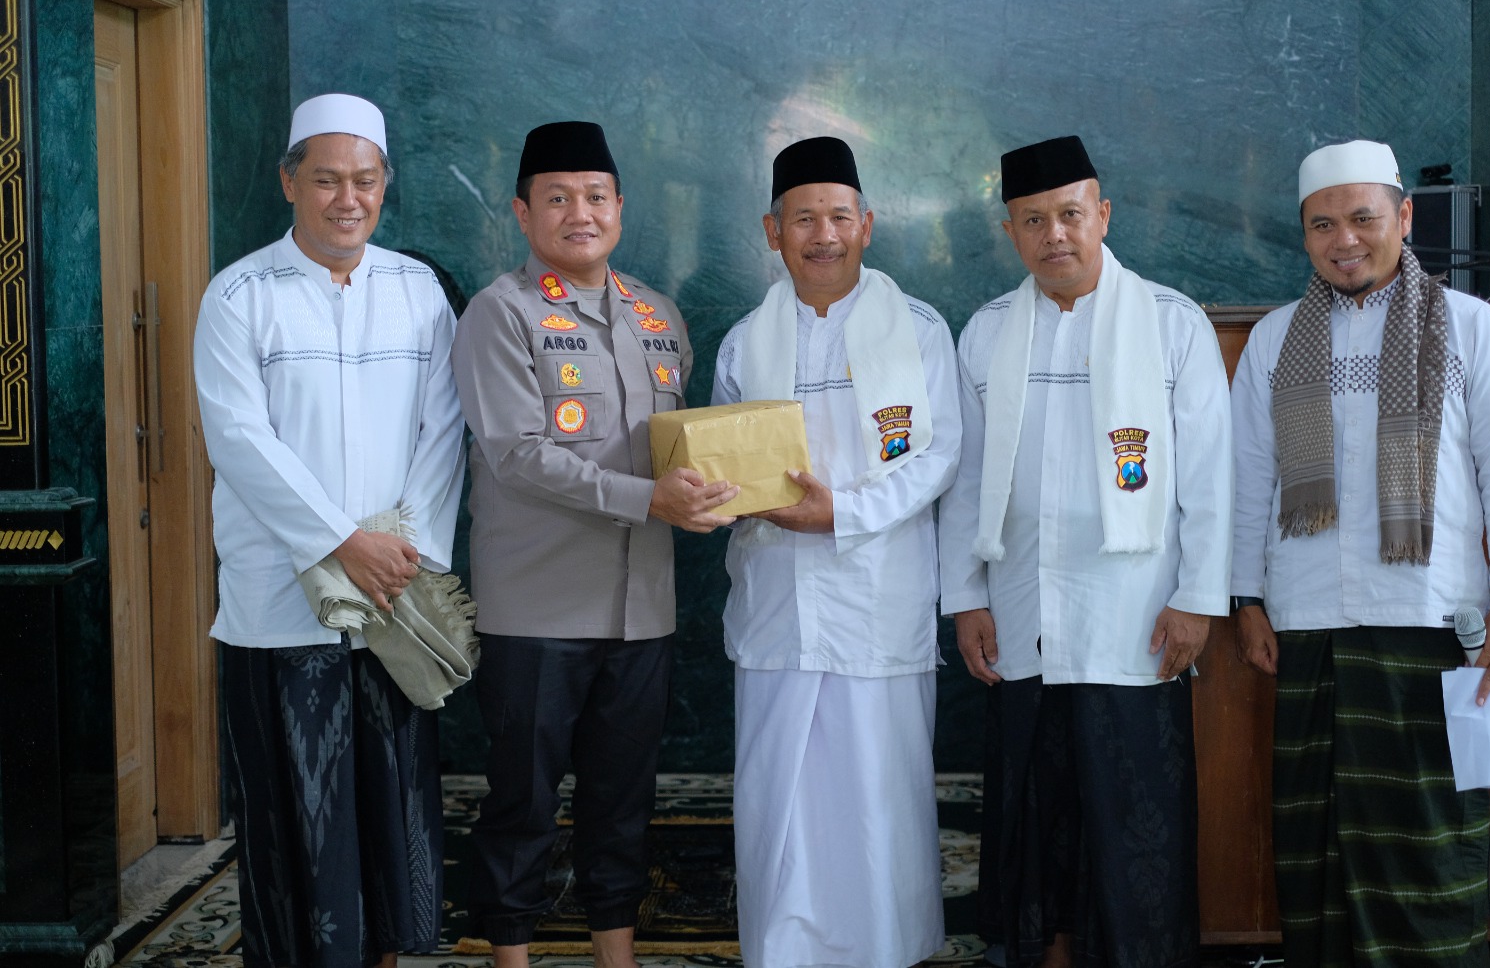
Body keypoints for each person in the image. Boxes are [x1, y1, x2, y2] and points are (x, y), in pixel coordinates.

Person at [1230, 139, 1490, 967]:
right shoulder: (1273, 341)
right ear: (1302, 236)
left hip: (1435, 624)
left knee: (1428, 846)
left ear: (1403, 218)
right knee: (1320, 844)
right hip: (1310, 627)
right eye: (1322, 224)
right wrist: (1246, 597)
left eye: (1364, 218)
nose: (1345, 240)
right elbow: (1247, 478)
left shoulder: (1471, 327)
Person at [938, 135, 1232, 968]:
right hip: (1025, 618)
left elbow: (1212, 477)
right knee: (1041, 821)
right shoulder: (987, 333)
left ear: (1103, 214)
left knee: (1134, 821)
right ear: (1011, 234)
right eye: (1033, 220)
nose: (1054, 234)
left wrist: (1200, 597)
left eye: (1070, 214)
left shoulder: (1172, 324)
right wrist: (965, 596)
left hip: (1136, 621)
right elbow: (962, 483)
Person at [450, 121, 737, 968]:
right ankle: (512, 957)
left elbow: (679, 444)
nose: (582, 213)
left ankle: (618, 956)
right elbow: (517, 455)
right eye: (559, 198)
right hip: (535, 607)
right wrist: (650, 499)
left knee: (623, 803)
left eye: (597, 197)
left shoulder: (659, 315)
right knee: (522, 803)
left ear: (620, 207)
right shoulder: (499, 313)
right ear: (522, 211)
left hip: (641, 609)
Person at [193, 93, 466, 968]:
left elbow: (443, 429)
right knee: (292, 818)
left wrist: (405, 551)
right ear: (289, 182)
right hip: (280, 603)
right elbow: (240, 440)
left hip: (392, 598)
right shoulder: (240, 295)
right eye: (326, 180)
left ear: (385, 185)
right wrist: (342, 542)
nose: (347, 199)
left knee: (388, 816)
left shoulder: (417, 291)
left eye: (365, 180)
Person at [713, 136, 959, 968]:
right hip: (777, 603)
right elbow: (720, 457)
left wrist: (841, 514)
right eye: (803, 218)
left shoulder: (919, 331)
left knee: (876, 801)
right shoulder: (746, 342)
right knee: (778, 799)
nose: (824, 234)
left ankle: (887, 950)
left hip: (876, 598)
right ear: (772, 230)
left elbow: (939, 456)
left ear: (868, 224)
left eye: (839, 216)